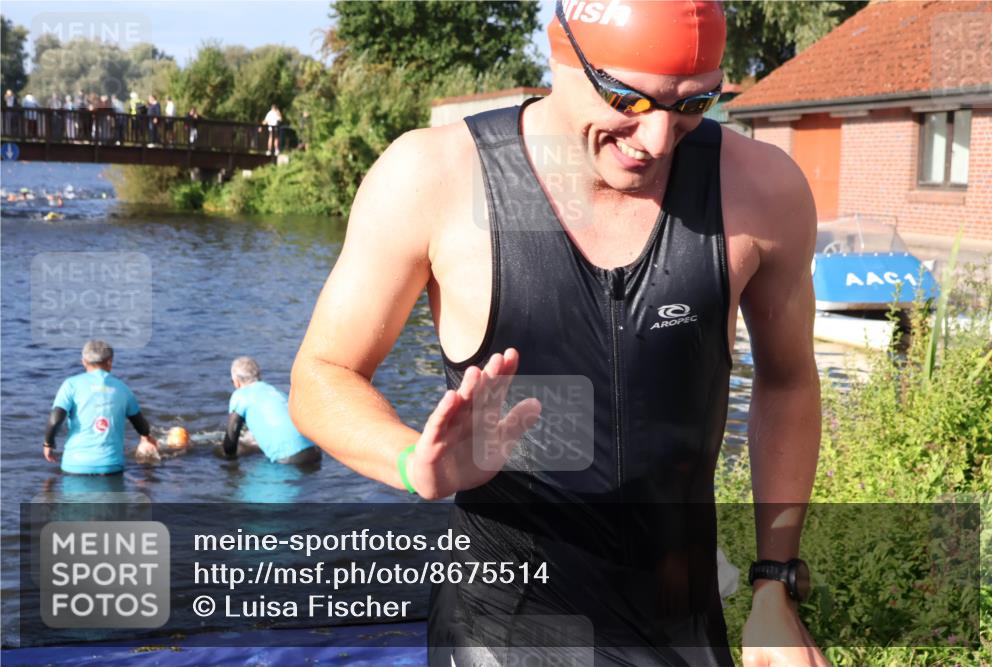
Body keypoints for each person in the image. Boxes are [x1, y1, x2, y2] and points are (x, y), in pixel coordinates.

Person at [290, 2, 822, 666]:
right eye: (628, 98)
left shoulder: (762, 188)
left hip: (680, 631)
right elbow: (322, 375)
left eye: (695, 103)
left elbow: (789, 379)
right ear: (561, 51)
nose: (658, 140)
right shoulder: (434, 178)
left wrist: (774, 581)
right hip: (502, 632)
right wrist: (412, 464)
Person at [43, 340, 159, 474]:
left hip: (74, 466)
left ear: (84, 361)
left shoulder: (70, 385)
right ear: (110, 362)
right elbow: (140, 424)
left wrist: (48, 444)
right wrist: (146, 437)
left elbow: (55, 420)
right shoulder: (123, 389)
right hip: (111, 467)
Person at [223, 357, 321, 465]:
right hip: (315, 453)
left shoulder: (239, 396)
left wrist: (229, 465)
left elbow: (230, 444)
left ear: (236, 382)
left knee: (241, 481)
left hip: (289, 461)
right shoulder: (274, 391)